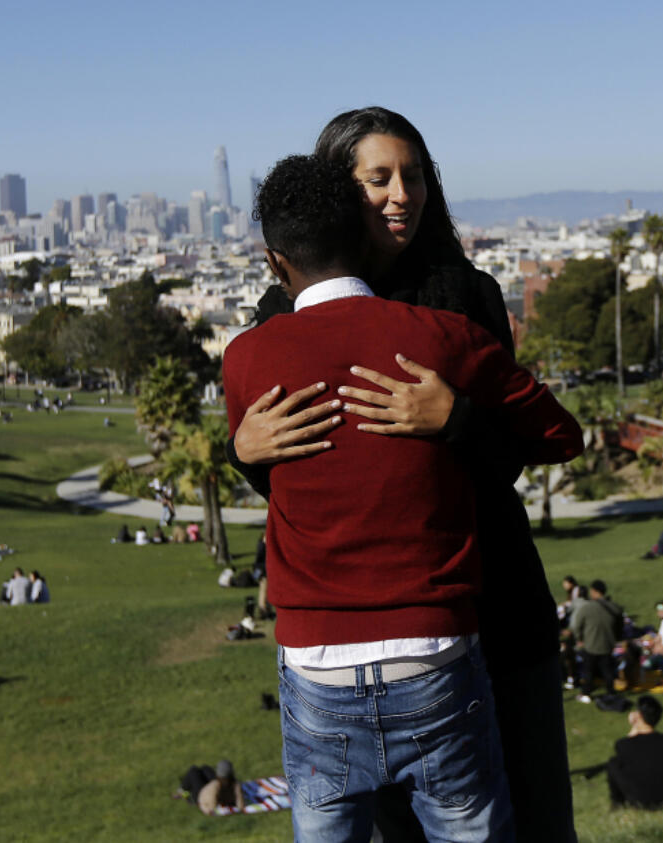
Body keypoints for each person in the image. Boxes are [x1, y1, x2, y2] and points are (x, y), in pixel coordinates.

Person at [226, 106, 579, 841]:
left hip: (493, 606)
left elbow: (519, 450)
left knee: (539, 819)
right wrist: (244, 450)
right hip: (369, 640)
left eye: (413, 176)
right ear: (336, 193)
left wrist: (454, 419)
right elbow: (299, 481)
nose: (400, 195)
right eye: (377, 178)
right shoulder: (277, 318)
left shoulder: (465, 295)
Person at [606, 696, 663, 809]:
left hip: (639, 801)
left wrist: (634, 725)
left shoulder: (623, 744)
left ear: (639, 715)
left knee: (613, 763)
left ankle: (617, 803)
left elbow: (627, 747)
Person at [569, 580, 624, 704]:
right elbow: (620, 626)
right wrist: (616, 638)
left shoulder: (587, 608)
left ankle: (586, 693)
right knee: (607, 670)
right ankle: (611, 691)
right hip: (608, 644)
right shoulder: (614, 607)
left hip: (591, 644)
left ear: (594, 591)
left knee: (588, 670)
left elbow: (576, 626)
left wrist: (579, 639)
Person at [179, 759, 245, 815]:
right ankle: (185, 787)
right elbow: (240, 802)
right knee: (205, 768)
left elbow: (210, 806)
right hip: (215, 791)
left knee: (193, 772)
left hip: (201, 795)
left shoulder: (215, 786)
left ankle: (182, 789)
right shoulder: (235, 784)